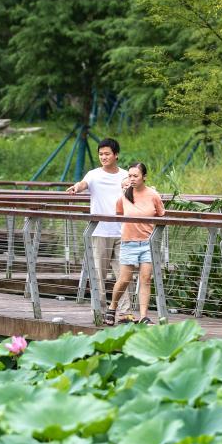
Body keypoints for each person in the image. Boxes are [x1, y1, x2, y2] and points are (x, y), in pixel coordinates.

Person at [66, 138, 131, 318]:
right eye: (101, 154)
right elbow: (83, 184)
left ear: (116, 155)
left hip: (122, 231)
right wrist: (76, 188)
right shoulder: (93, 175)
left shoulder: (125, 176)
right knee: (99, 276)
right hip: (100, 231)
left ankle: (124, 313)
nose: (103, 157)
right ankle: (100, 313)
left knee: (124, 275)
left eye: (107, 154)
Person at [108, 162, 166, 325]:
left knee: (146, 278)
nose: (132, 179)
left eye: (136, 176)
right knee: (124, 279)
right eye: (130, 176)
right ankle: (112, 308)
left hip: (147, 243)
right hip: (128, 242)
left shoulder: (153, 195)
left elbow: (161, 215)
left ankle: (143, 316)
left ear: (144, 177)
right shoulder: (124, 196)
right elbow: (119, 213)